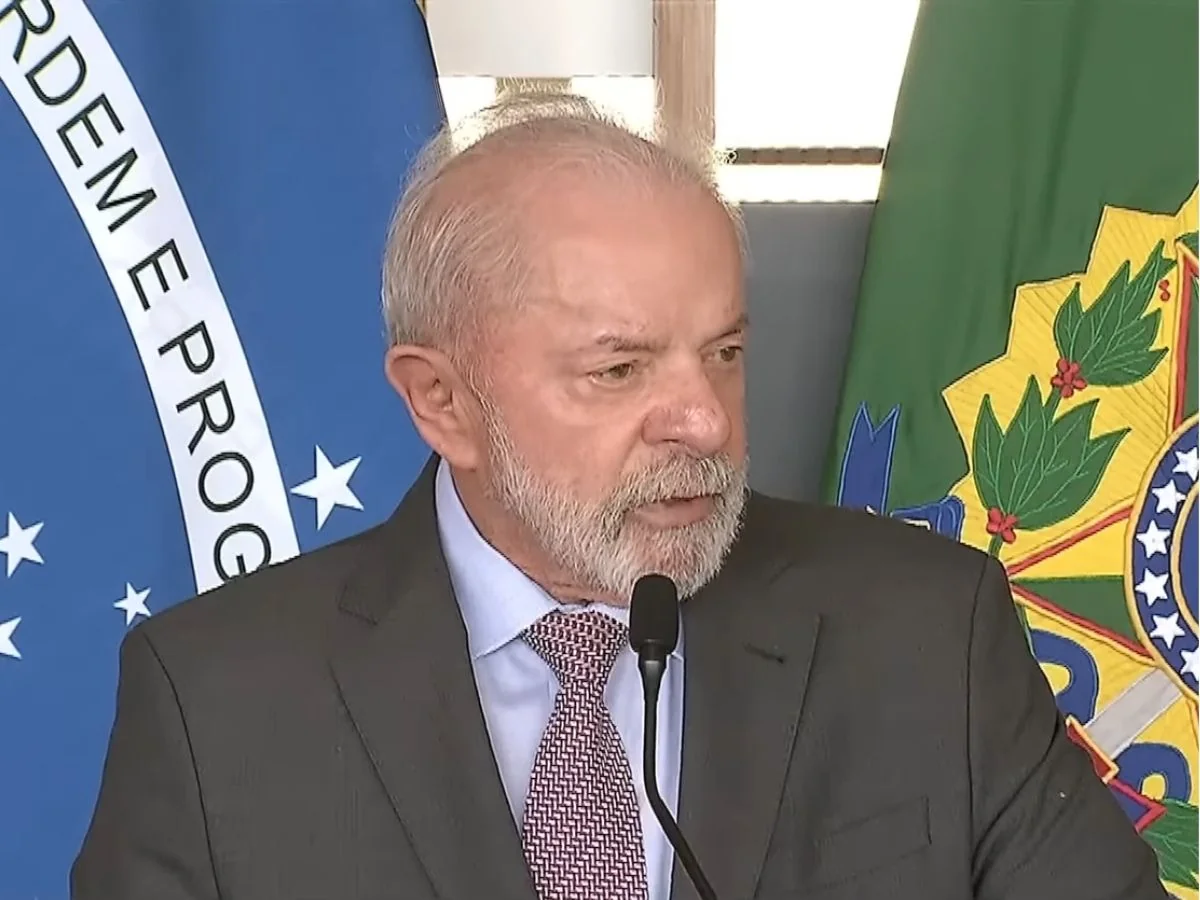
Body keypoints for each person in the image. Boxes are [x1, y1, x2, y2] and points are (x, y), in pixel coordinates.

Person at [71, 93, 1167, 900]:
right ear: (442, 401)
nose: (704, 422)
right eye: (619, 369)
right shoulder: (217, 703)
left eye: (724, 353)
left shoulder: (927, 632)